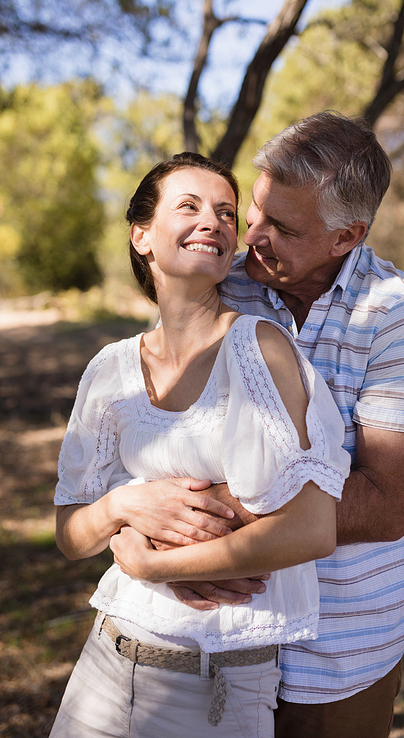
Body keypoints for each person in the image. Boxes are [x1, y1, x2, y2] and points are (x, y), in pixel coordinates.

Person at [161, 112, 404, 738]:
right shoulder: (227, 286)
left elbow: (386, 503)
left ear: (347, 236)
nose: (251, 234)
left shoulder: (395, 311)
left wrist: (206, 520)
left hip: (337, 652)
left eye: (281, 228)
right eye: (254, 211)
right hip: (220, 635)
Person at [50, 152, 351, 738]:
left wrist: (154, 563)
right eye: (188, 206)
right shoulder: (110, 370)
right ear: (142, 235)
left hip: (220, 683)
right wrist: (121, 508)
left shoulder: (260, 351)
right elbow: (69, 533)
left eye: (226, 212)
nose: (213, 221)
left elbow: (311, 527)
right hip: (106, 663)